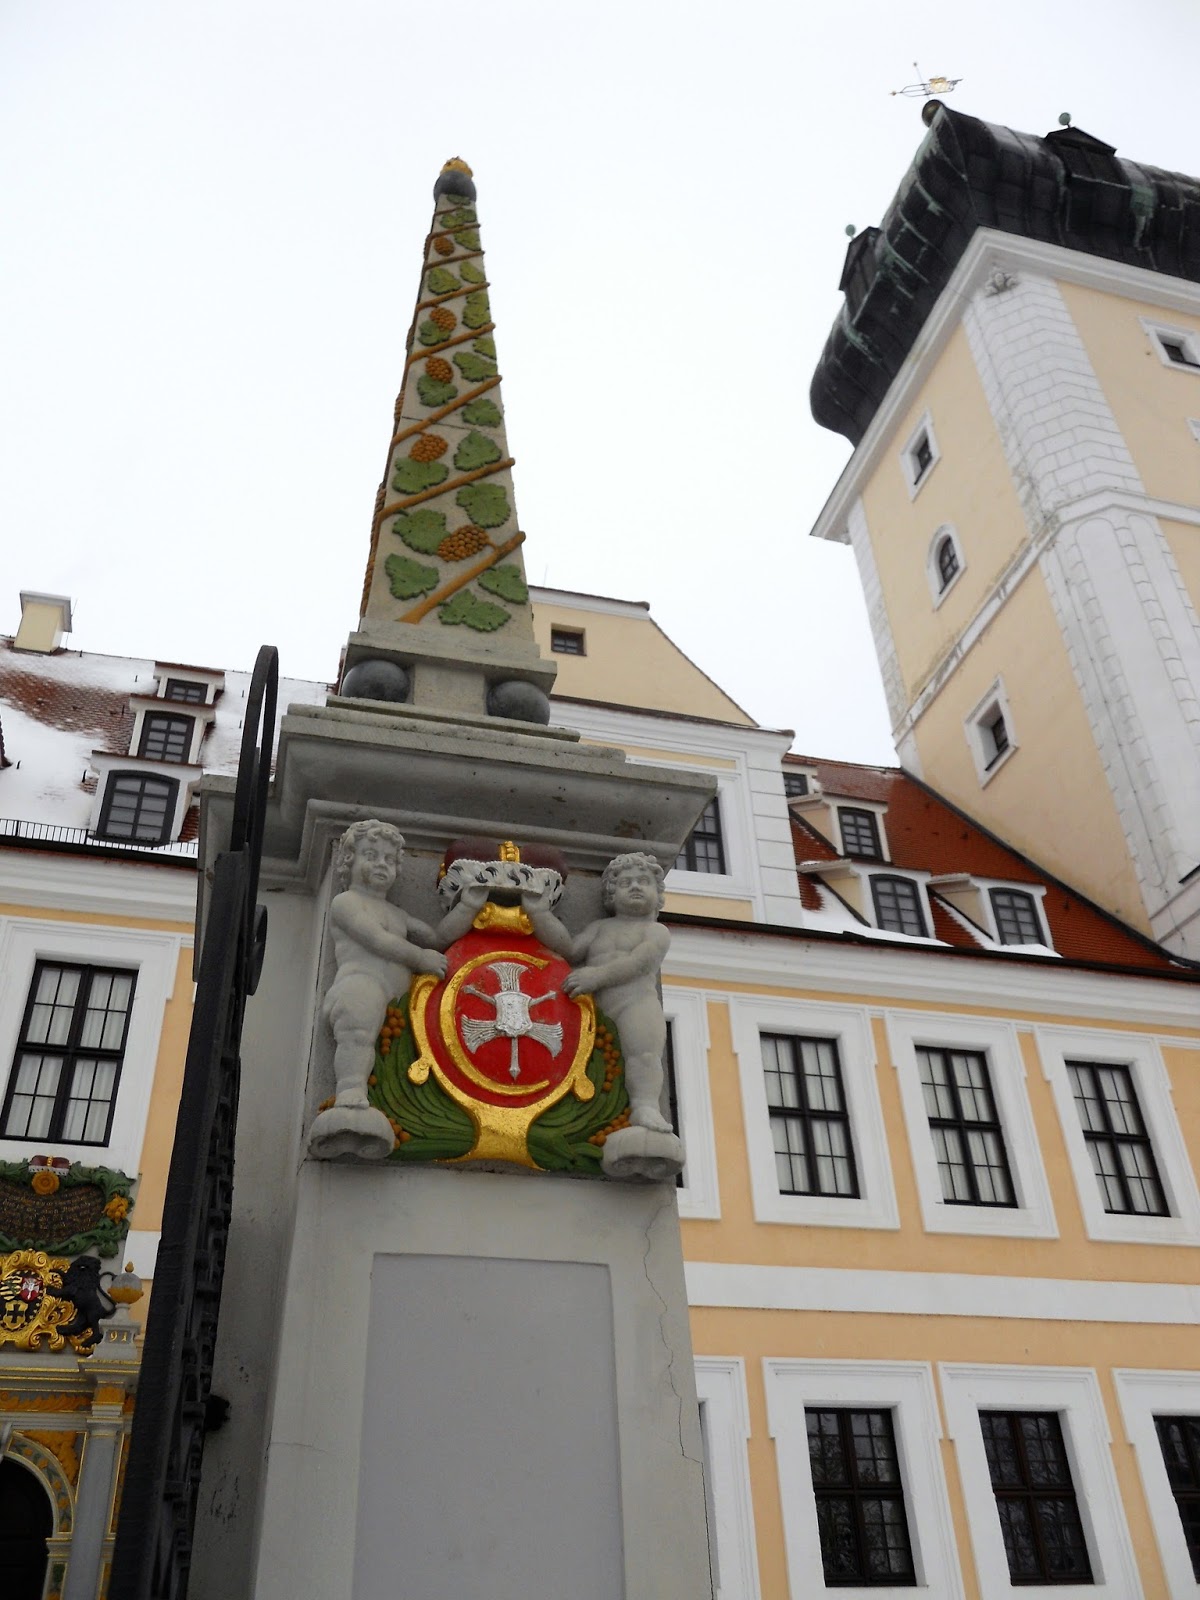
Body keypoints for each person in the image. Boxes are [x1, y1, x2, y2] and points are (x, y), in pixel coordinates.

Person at [523, 851, 672, 1132]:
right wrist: (539, 913)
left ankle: (645, 1107)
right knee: (593, 1062)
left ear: (658, 894)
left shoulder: (656, 931)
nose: (636, 887)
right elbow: (568, 949)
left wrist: (596, 976)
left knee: (644, 1054)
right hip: (592, 1008)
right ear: (611, 895)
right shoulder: (599, 927)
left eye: (643, 882)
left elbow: (639, 963)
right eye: (626, 883)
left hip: (635, 1003)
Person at [323, 821, 448, 1108]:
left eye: (389, 860)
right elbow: (378, 940)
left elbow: (437, 939)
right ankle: (350, 1091)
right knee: (357, 1026)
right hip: (361, 984)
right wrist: (419, 958)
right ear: (348, 861)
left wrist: (468, 907)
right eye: (370, 855)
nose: (382, 864)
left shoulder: (397, 914)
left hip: (397, 1003)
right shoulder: (347, 902)